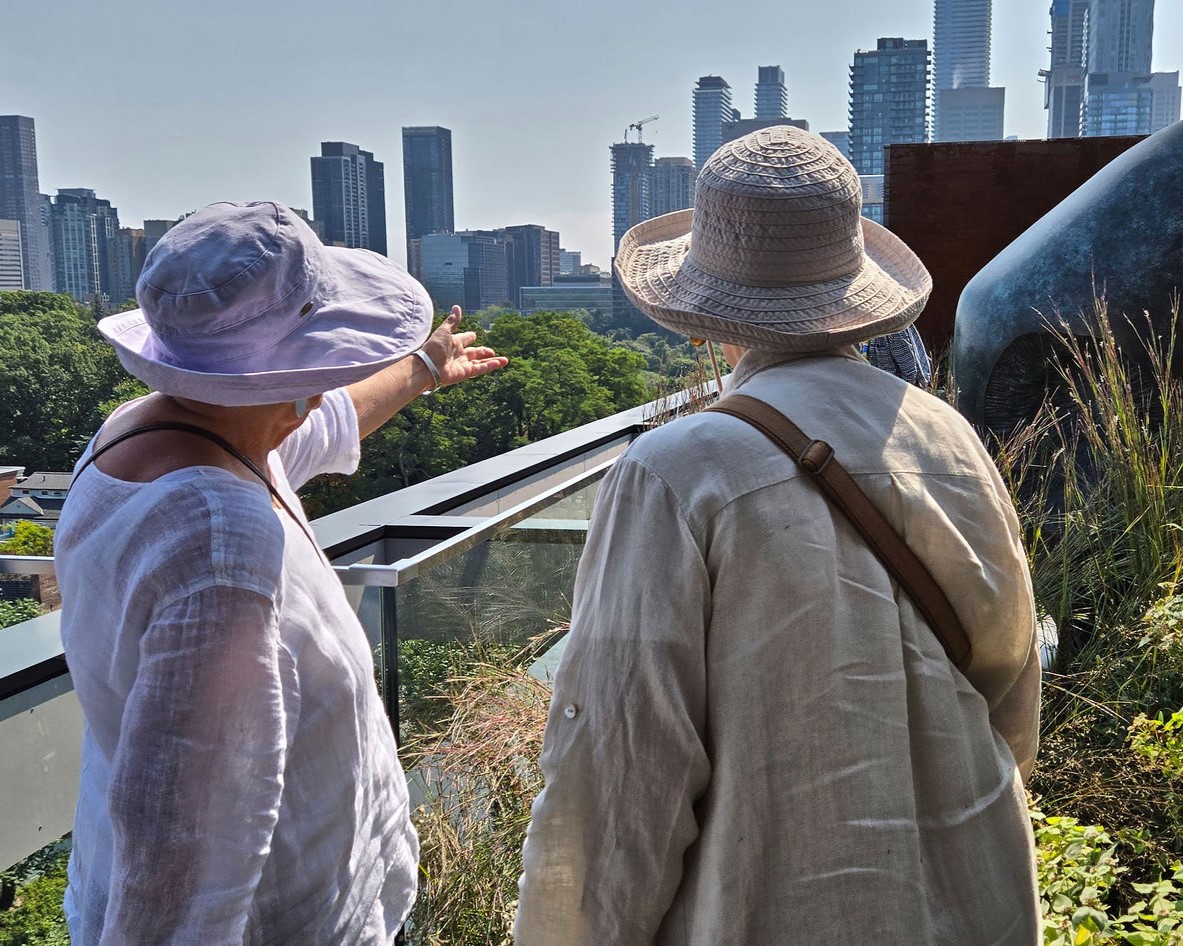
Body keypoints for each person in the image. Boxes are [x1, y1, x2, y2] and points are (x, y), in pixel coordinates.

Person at [514, 127, 1041, 945]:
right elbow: (1008, 686)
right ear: (854, 289)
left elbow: (621, 771)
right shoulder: (945, 438)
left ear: (704, 311)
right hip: (975, 892)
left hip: (777, 902)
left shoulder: (675, 472)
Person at [55, 200, 507, 945]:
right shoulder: (219, 547)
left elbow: (317, 427)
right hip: (277, 920)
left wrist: (422, 369)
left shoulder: (161, 433)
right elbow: (185, 836)